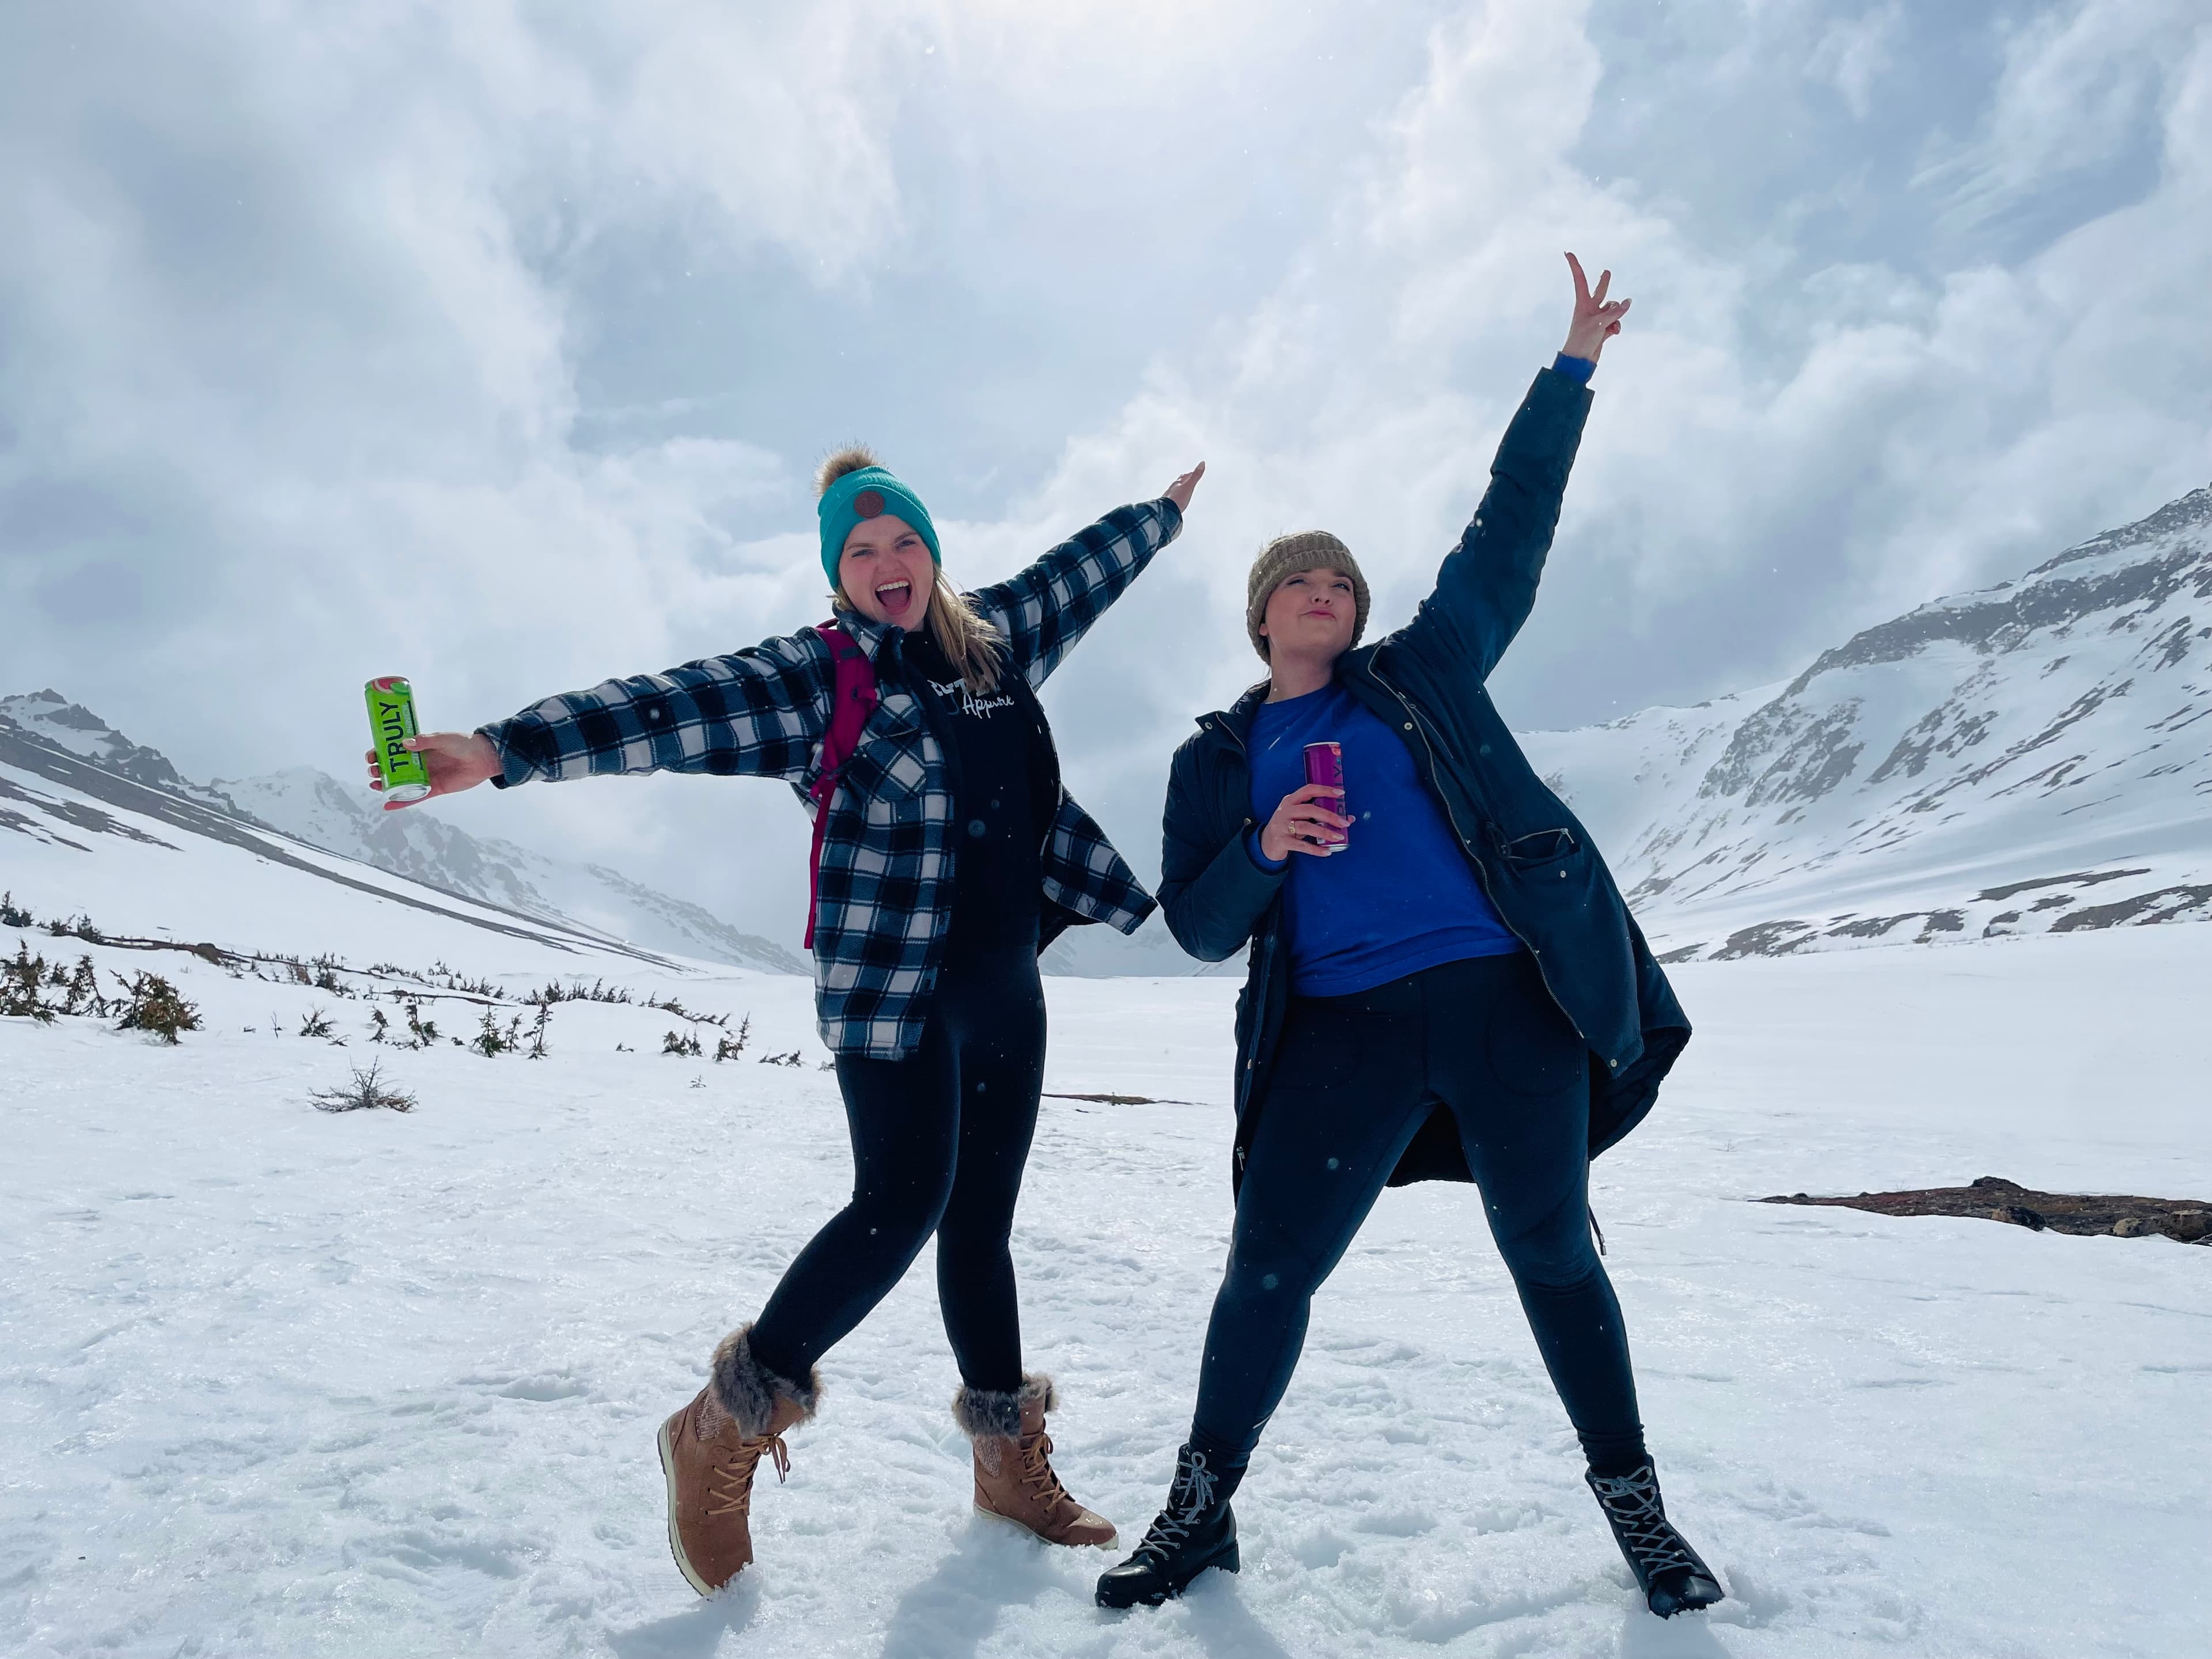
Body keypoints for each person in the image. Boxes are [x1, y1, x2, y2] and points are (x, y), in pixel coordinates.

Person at [369, 449, 1204, 1594]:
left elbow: (1082, 575)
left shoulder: (996, 639)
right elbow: (665, 709)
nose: (886, 564)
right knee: (902, 1199)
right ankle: (723, 1420)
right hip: (891, 988)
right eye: (859, 553)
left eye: (901, 541)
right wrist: (504, 750)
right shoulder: (817, 680)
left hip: (1007, 976)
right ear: (837, 577)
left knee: (982, 1226)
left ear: (932, 549)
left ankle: (1007, 1465)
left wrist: (1158, 518)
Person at [1096, 255, 1723, 1620]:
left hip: (1509, 1004)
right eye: (1297, 578)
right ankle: (1201, 1513)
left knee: (1553, 1257)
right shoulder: (1219, 759)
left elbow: (1510, 535)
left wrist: (1570, 370)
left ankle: (1643, 1517)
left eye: (1341, 578)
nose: (1326, 586)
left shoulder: (1423, 676)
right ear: (1259, 614)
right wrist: (1266, 850)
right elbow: (1200, 929)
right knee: (1268, 1269)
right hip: (1341, 1032)